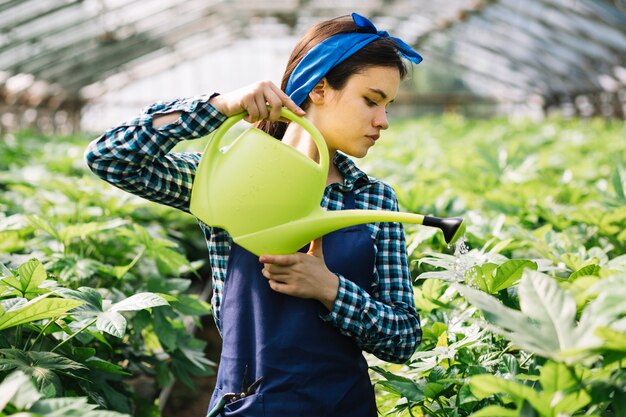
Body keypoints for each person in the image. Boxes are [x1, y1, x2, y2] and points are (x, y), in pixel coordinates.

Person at [86, 12, 423, 417]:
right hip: (248, 405)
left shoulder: (374, 199)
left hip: (344, 405)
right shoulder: (230, 173)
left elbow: (403, 338)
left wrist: (331, 289)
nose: (382, 121)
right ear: (319, 88)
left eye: (387, 105)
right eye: (371, 100)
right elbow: (111, 158)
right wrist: (216, 107)